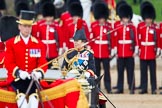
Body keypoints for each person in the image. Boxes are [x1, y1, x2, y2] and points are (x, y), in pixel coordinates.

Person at [4, 10, 47, 108]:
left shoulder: (39, 44)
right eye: (24, 26)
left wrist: (39, 72)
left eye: (29, 26)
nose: (27, 29)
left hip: (33, 79)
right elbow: (9, 63)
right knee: (22, 102)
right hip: (17, 79)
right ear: (19, 26)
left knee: (34, 101)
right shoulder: (11, 43)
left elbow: (42, 62)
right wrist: (19, 72)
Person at [113, 3, 138, 94]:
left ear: (129, 17)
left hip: (129, 52)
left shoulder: (132, 27)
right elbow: (115, 39)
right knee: (120, 72)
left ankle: (131, 87)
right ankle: (120, 88)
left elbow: (136, 40)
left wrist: (135, 50)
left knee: (130, 71)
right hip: (120, 52)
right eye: (123, 18)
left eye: (126, 18)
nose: (125, 20)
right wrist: (115, 50)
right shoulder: (117, 26)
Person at [32, 2, 64, 69]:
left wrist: (60, 49)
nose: (49, 19)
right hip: (42, 52)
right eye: (47, 17)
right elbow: (37, 38)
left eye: (50, 17)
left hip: (53, 52)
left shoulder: (56, 25)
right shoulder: (39, 25)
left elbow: (61, 38)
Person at [137, 1, 160, 94]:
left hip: (151, 52)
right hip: (143, 52)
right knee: (143, 72)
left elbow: (158, 40)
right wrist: (138, 49)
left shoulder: (155, 28)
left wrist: (158, 49)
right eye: (146, 18)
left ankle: (153, 88)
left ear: (152, 18)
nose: (148, 20)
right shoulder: (140, 26)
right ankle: (144, 88)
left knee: (152, 72)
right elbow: (138, 39)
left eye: (149, 18)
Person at [90, 1, 113, 93]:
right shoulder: (94, 26)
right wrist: (91, 49)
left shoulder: (109, 27)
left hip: (105, 52)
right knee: (96, 72)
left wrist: (112, 50)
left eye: (103, 18)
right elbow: (91, 39)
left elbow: (111, 40)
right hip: (96, 52)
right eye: (100, 18)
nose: (101, 20)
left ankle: (108, 87)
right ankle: (97, 87)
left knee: (107, 71)